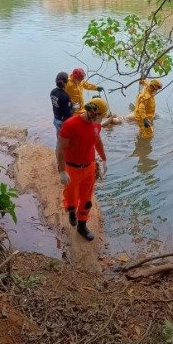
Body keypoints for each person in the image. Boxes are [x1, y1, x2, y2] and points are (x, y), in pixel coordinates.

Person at [56, 96, 108, 241]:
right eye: (99, 116)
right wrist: (62, 171)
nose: (100, 120)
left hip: (89, 167)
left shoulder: (97, 124)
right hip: (72, 168)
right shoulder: (70, 124)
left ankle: (82, 226)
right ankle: (71, 211)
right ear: (92, 111)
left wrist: (104, 159)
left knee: (87, 199)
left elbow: (97, 141)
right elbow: (60, 149)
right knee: (71, 195)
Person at [50, 72, 73, 136]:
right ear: (67, 82)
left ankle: (58, 144)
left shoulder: (53, 91)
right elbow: (68, 113)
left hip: (56, 117)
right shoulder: (65, 96)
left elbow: (58, 103)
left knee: (58, 133)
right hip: (63, 121)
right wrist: (72, 108)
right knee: (65, 138)